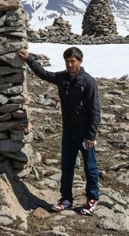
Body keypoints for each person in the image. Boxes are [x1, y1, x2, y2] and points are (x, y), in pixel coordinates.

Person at [17, 46, 100, 215]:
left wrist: (91, 135)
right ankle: (66, 199)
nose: (69, 65)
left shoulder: (88, 82)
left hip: (85, 133)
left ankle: (92, 199)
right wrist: (29, 59)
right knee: (67, 166)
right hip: (69, 131)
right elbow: (44, 74)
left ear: (80, 61)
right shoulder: (63, 78)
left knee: (90, 167)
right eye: (67, 61)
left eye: (73, 61)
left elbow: (95, 110)